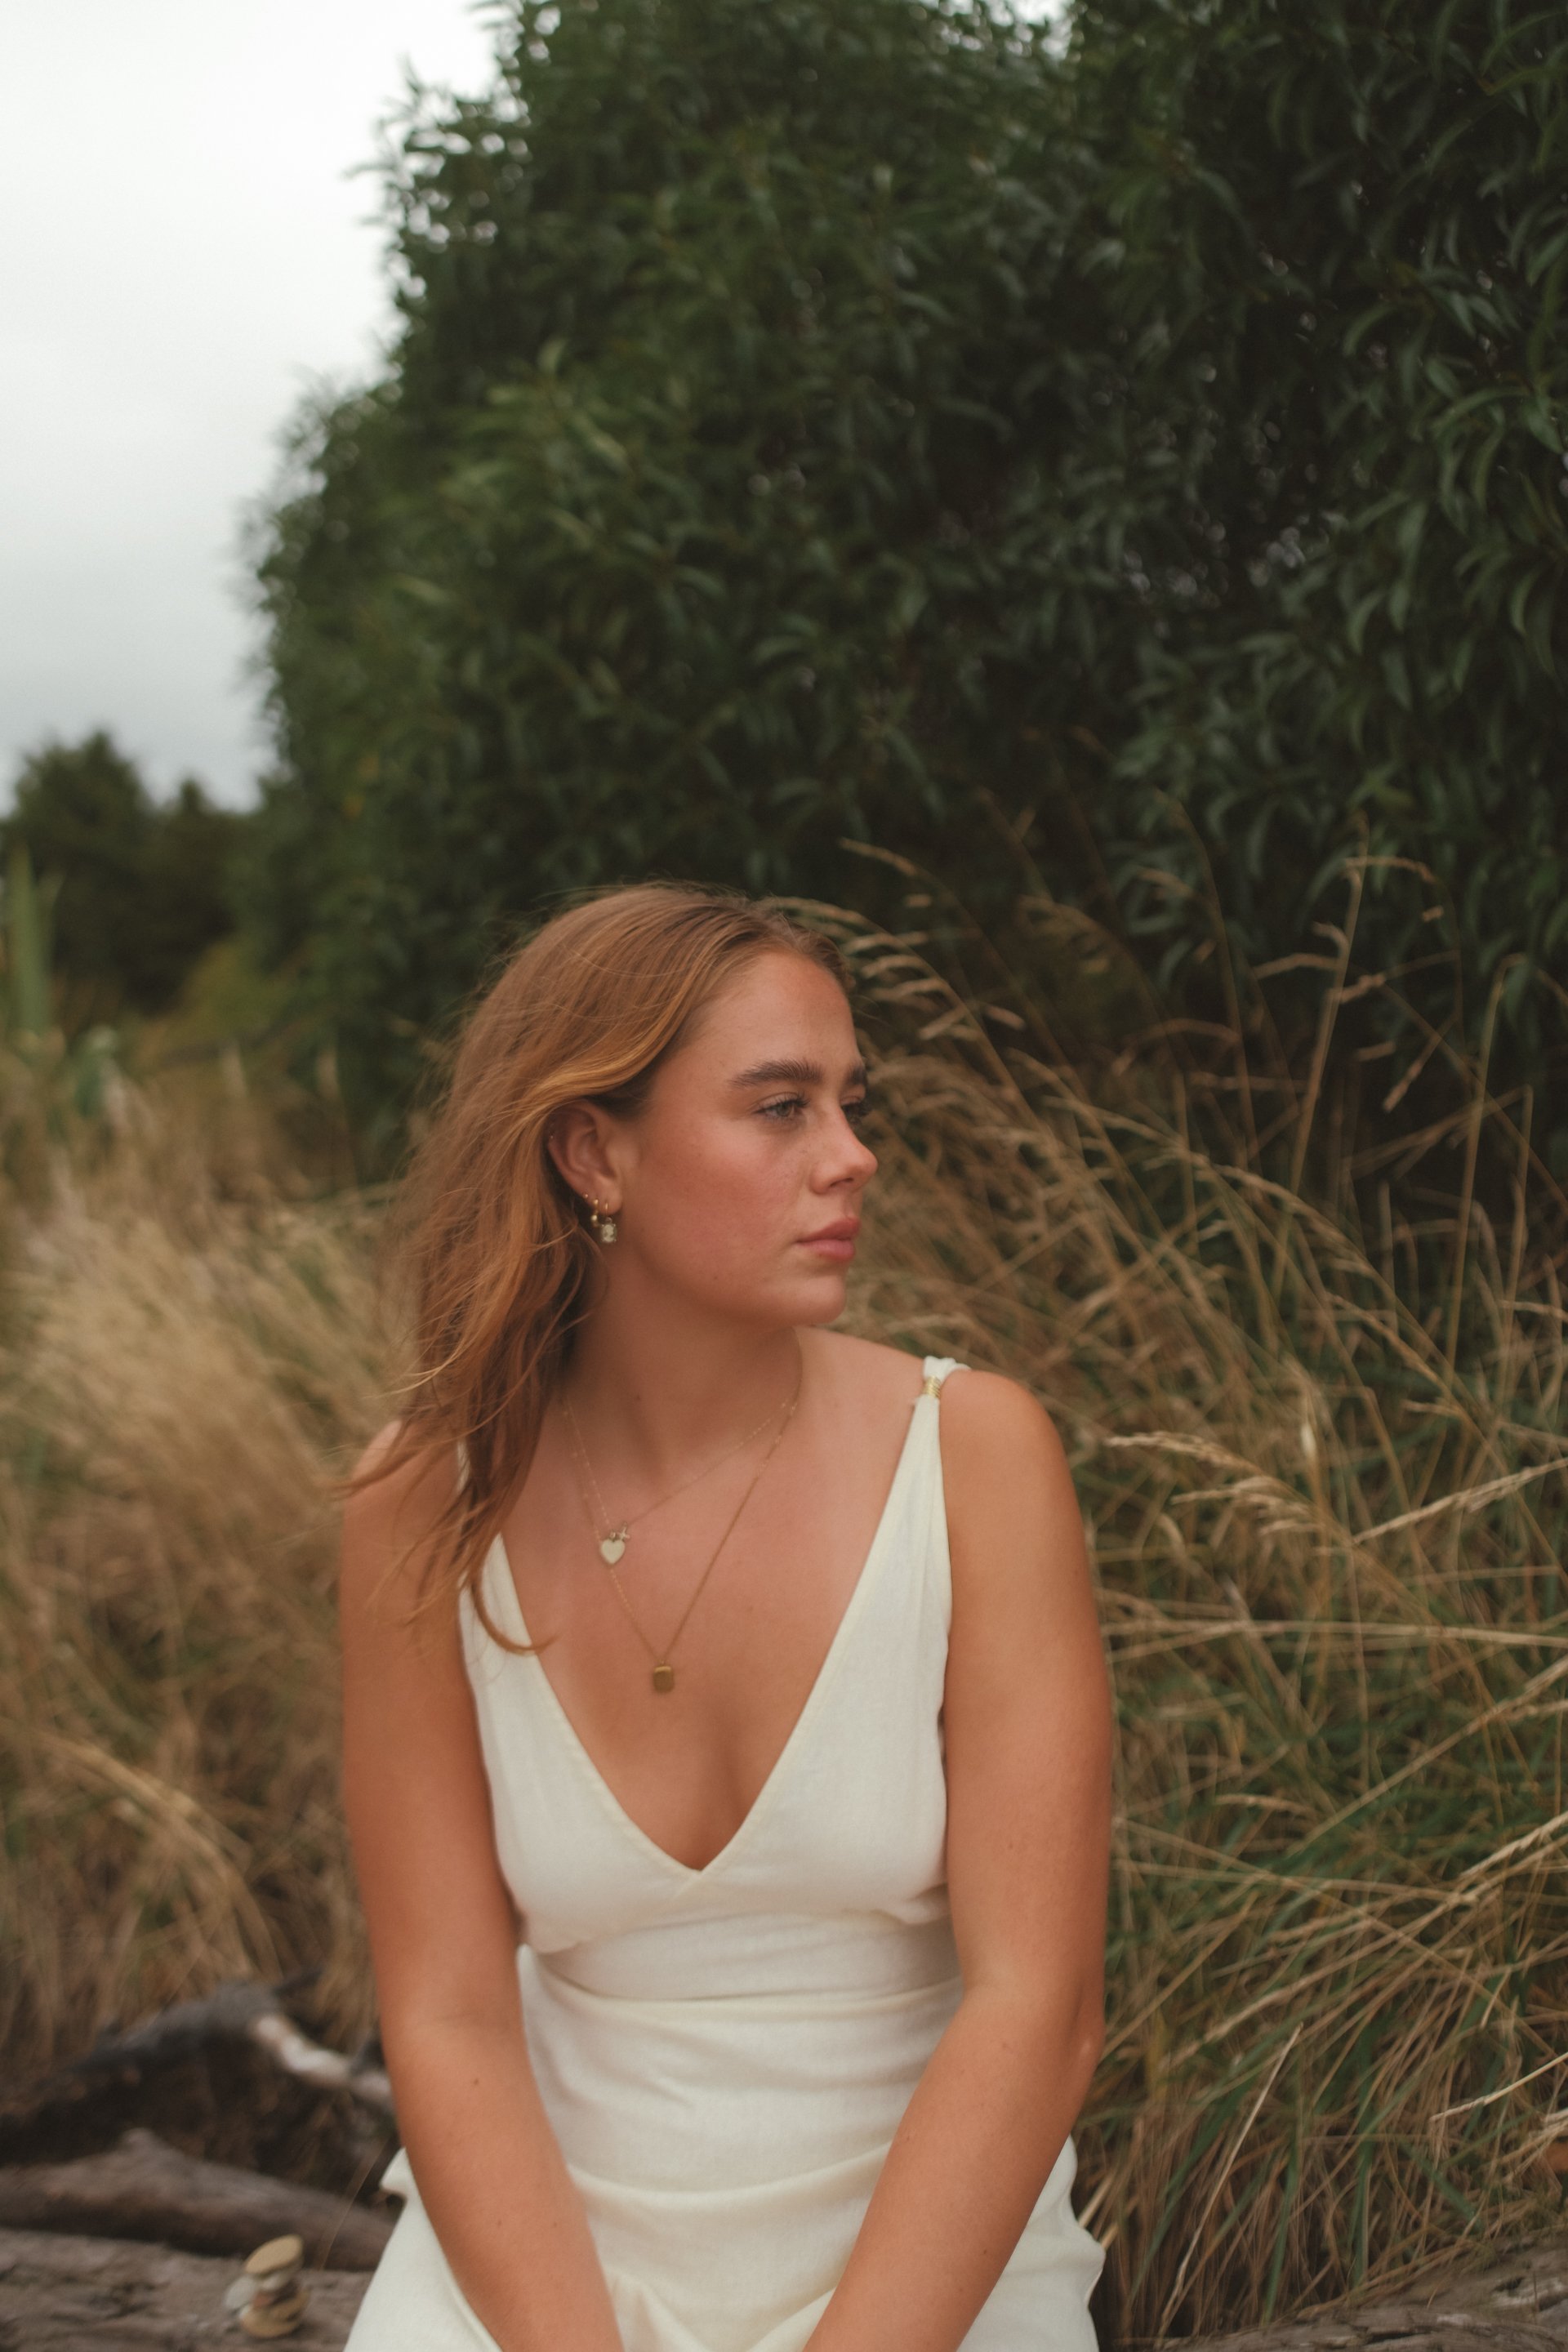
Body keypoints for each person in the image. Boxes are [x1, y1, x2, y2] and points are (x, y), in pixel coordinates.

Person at [339, 883, 1111, 2352]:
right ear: (592, 1152)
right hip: (537, 2271)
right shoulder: (421, 1508)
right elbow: (442, 2015)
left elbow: (1038, 2008)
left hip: (928, 2277)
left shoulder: (977, 1461)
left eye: (850, 1102)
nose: (853, 1157)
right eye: (780, 1110)